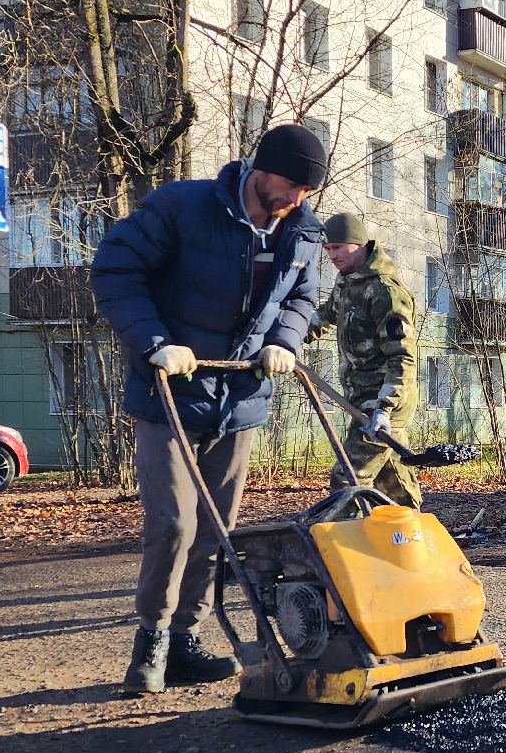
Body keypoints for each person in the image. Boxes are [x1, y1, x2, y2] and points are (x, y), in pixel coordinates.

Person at [91, 124, 328, 696]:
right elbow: (115, 270)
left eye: (305, 190)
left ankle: (185, 641)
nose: (295, 198)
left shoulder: (303, 230)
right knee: (174, 523)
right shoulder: (182, 207)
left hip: (240, 396)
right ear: (261, 168)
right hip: (169, 393)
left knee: (217, 533)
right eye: (290, 185)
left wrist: (286, 342)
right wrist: (153, 343)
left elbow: (302, 298)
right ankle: (151, 641)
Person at [306, 213, 421, 508]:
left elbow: (403, 357)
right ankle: (412, 545)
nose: (332, 255)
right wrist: (288, 338)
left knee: (348, 481)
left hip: (382, 405)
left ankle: (346, 551)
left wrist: (384, 408)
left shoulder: (385, 291)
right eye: (328, 249)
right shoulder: (347, 283)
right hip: (361, 402)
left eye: (338, 248)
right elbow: (327, 314)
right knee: (394, 486)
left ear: (358, 244)